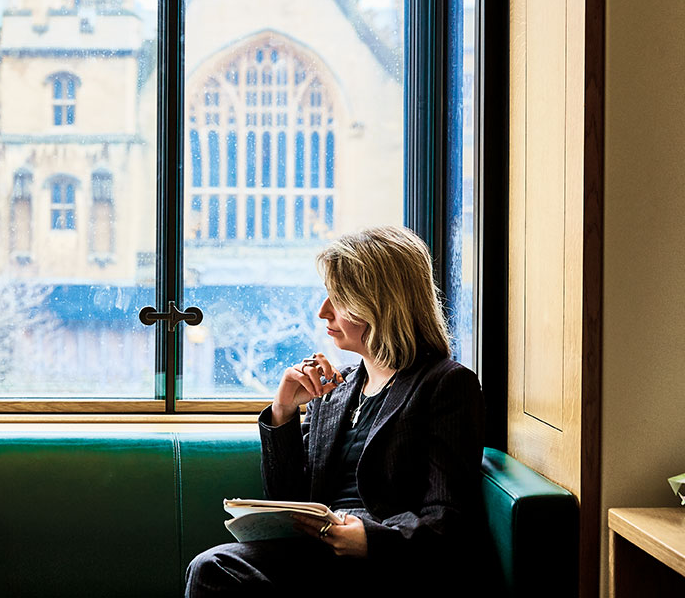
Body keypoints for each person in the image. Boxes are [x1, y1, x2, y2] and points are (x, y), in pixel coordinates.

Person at [185, 225, 484, 596]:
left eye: (338, 299)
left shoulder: (446, 384)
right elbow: (289, 497)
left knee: (214, 570)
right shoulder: (336, 387)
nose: (323, 311)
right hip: (317, 555)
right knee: (214, 569)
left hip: (385, 564)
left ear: (378, 303)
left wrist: (372, 540)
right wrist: (283, 412)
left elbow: (449, 519)